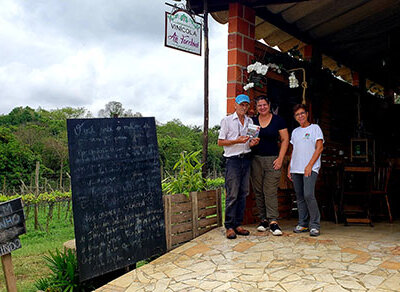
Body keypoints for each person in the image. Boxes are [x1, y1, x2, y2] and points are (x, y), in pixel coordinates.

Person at [218, 94, 260, 239]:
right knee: (232, 193)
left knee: (243, 193)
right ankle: (229, 226)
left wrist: (252, 143)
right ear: (235, 105)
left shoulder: (250, 121)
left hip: (246, 158)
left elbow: (248, 142)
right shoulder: (227, 120)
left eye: (246, 105)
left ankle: (237, 224)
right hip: (233, 160)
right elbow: (220, 142)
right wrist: (236, 141)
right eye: (241, 104)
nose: (244, 107)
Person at [250, 96, 289, 236]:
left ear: (269, 105)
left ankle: (273, 221)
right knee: (259, 191)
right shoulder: (253, 121)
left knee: (270, 190)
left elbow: (285, 140)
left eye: (264, 105)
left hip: (273, 160)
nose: (262, 107)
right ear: (256, 108)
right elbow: (249, 141)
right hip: (256, 160)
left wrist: (280, 158)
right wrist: (251, 143)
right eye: (259, 105)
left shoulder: (278, 120)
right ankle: (264, 219)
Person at [288, 104, 324, 237]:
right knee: (300, 197)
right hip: (296, 168)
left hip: (311, 168)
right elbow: (294, 151)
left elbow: (319, 148)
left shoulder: (315, 128)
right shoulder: (295, 132)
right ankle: (303, 223)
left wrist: (309, 165)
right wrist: (289, 167)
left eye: (302, 113)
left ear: (307, 114)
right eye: (297, 114)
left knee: (308, 194)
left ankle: (315, 225)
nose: (300, 116)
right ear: (295, 117)